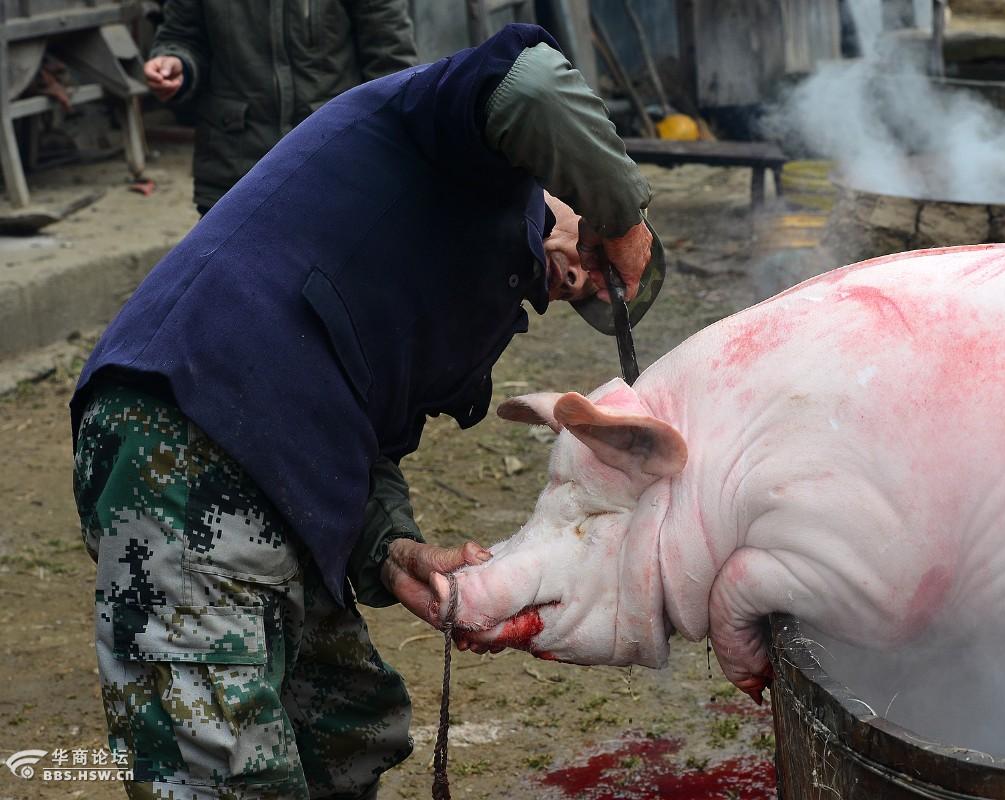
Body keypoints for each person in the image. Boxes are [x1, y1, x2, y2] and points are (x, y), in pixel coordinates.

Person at [71, 23, 665, 798]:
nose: (578, 275)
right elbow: (533, 83)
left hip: (276, 471)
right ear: (572, 197)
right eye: (590, 253)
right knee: (221, 778)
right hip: (183, 429)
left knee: (351, 724)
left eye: (585, 293)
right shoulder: (464, 145)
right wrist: (622, 215)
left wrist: (394, 550)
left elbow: (368, 441)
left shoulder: (474, 315)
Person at [143, 0, 419, 213]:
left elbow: (390, 63)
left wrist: (388, 163)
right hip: (235, 171)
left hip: (334, 165)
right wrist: (177, 63)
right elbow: (182, 34)